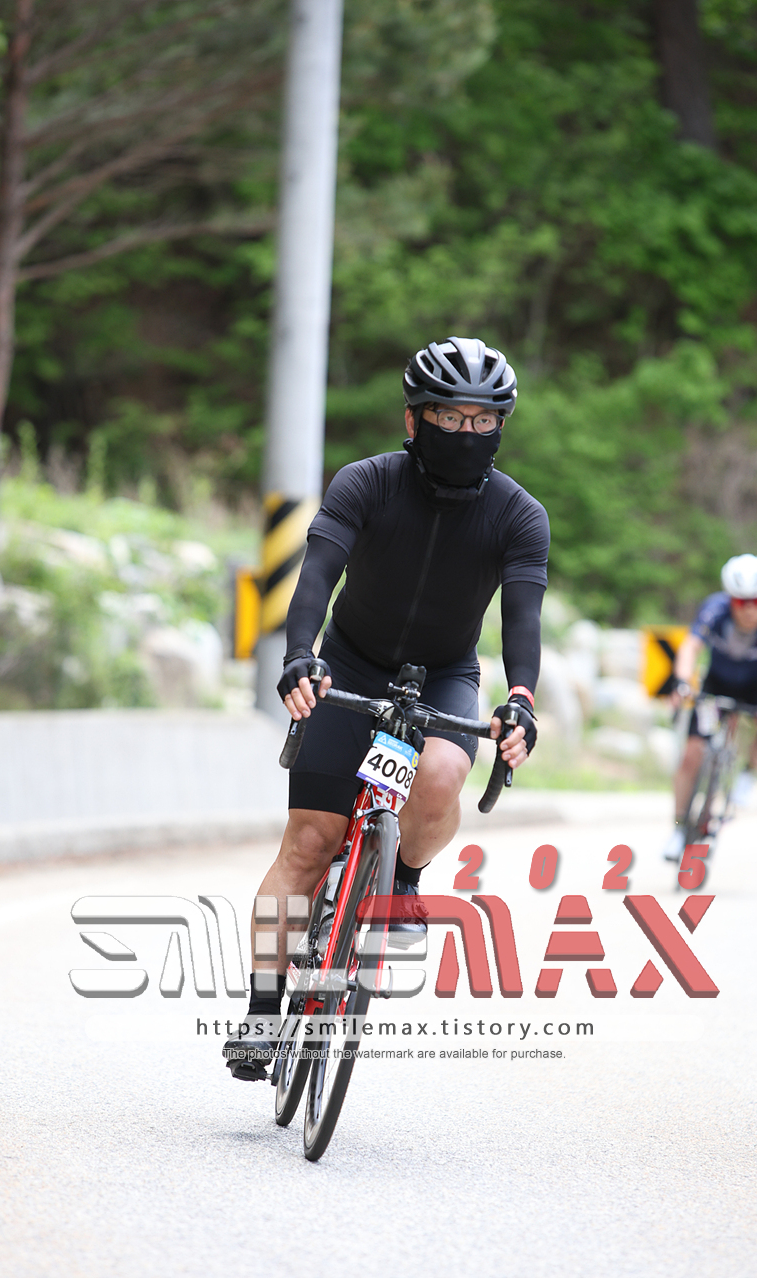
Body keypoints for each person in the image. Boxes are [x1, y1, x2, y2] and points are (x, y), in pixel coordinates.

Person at [225, 337, 550, 1080]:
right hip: (348, 665)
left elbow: (523, 623)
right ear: (413, 420)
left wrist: (521, 701)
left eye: (483, 421)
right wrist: (300, 654)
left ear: (500, 428)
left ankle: (401, 878)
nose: (465, 433)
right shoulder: (366, 483)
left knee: (441, 775)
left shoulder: (519, 516)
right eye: (449, 417)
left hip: (443, 676)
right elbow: (316, 577)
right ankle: (263, 1011)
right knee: (309, 844)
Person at [661, 554, 757, 863]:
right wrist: (681, 681)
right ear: (729, 599)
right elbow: (691, 646)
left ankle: (749, 772)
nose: (749, 609)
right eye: (741, 601)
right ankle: (678, 828)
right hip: (716, 686)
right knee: (691, 754)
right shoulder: (714, 610)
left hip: (756, 690)